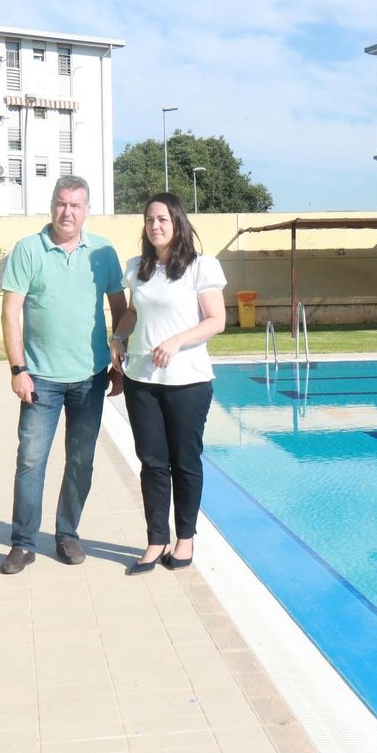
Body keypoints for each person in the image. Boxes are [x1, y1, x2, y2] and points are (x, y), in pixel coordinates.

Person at [0, 175, 125, 574]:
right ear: (51, 204)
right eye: (61, 203)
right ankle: (22, 543)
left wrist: (119, 365)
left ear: (86, 209)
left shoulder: (103, 251)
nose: (67, 212)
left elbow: (121, 311)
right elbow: (10, 313)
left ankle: (67, 534)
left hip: (90, 377)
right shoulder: (28, 249)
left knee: (80, 462)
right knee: (31, 461)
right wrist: (18, 369)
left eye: (75, 205)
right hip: (41, 379)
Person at [111, 193, 226, 575]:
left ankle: (185, 538)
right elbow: (131, 312)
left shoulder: (200, 268)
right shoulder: (137, 268)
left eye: (162, 219)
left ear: (177, 222)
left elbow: (216, 321)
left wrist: (177, 340)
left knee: (185, 463)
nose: (155, 225)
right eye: (149, 220)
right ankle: (156, 539)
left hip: (188, 382)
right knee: (152, 464)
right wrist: (117, 338)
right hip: (142, 381)